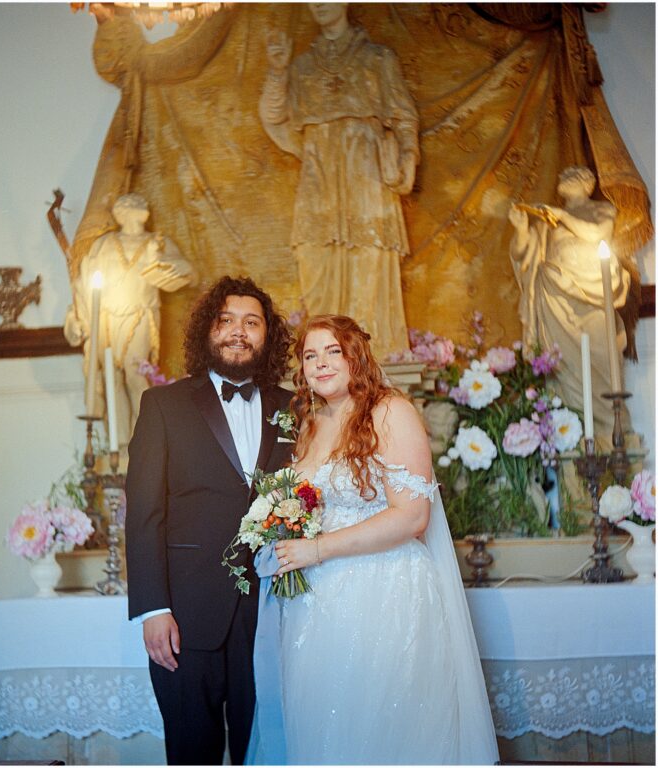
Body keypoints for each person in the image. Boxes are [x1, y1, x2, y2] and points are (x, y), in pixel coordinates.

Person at [247, 315, 498, 765]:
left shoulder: (390, 411)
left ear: (355, 356)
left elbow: (412, 517)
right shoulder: (307, 422)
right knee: (323, 726)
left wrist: (317, 548)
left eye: (332, 352)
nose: (320, 364)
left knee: (381, 727)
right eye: (309, 355)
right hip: (313, 605)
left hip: (383, 593)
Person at [125, 276, 294, 765]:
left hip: (272, 616)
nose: (238, 332)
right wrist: (152, 609)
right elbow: (144, 513)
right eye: (226, 321)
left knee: (264, 751)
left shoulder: (294, 408)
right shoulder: (163, 405)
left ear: (268, 336)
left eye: (251, 322)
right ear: (208, 331)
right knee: (191, 752)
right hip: (184, 615)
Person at [259, 3, 419, 361]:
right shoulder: (301, 66)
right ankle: (325, 364)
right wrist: (277, 70)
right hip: (319, 186)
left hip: (367, 183)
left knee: (369, 280)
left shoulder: (377, 58)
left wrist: (408, 155)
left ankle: (374, 371)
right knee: (317, 275)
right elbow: (275, 117)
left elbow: (403, 115)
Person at [508, 165, 631, 439]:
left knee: (601, 363)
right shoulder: (546, 222)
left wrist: (562, 216)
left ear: (588, 184)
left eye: (572, 174)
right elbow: (521, 255)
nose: (563, 176)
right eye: (563, 174)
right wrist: (520, 230)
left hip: (593, 301)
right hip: (555, 302)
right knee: (563, 371)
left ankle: (613, 437)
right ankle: (571, 436)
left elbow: (598, 234)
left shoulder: (600, 210)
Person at [64, 193, 196, 444]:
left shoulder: (156, 242)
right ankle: (121, 443)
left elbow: (189, 272)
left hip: (139, 314)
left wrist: (177, 267)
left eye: (137, 206)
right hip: (106, 318)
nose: (132, 211)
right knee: (112, 376)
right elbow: (84, 284)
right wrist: (77, 317)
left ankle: (149, 438)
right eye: (126, 207)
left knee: (135, 374)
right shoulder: (104, 244)